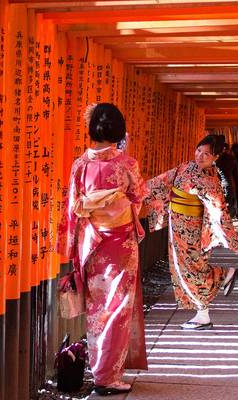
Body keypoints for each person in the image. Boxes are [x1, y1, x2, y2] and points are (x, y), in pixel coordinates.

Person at [56, 103, 147, 396]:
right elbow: (138, 197)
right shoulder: (126, 164)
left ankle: (102, 370)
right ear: (119, 131)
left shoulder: (79, 165)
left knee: (97, 308)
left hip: (91, 243)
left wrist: (70, 247)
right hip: (120, 244)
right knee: (118, 307)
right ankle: (107, 376)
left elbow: (73, 207)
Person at [143, 134, 238, 330]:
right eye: (199, 150)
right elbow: (160, 182)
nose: (200, 156)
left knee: (192, 269)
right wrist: (135, 190)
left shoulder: (210, 179)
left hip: (194, 229)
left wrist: (225, 233)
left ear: (215, 157)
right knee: (183, 268)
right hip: (178, 224)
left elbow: (217, 207)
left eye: (206, 154)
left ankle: (204, 311)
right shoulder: (185, 167)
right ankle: (220, 282)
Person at [215, 140, 238, 217]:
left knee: (220, 201)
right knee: (230, 200)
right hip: (231, 182)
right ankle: (229, 215)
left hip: (219, 182)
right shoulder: (232, 159)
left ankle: (222, 216)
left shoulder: (217, 159)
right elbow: (237, 172)